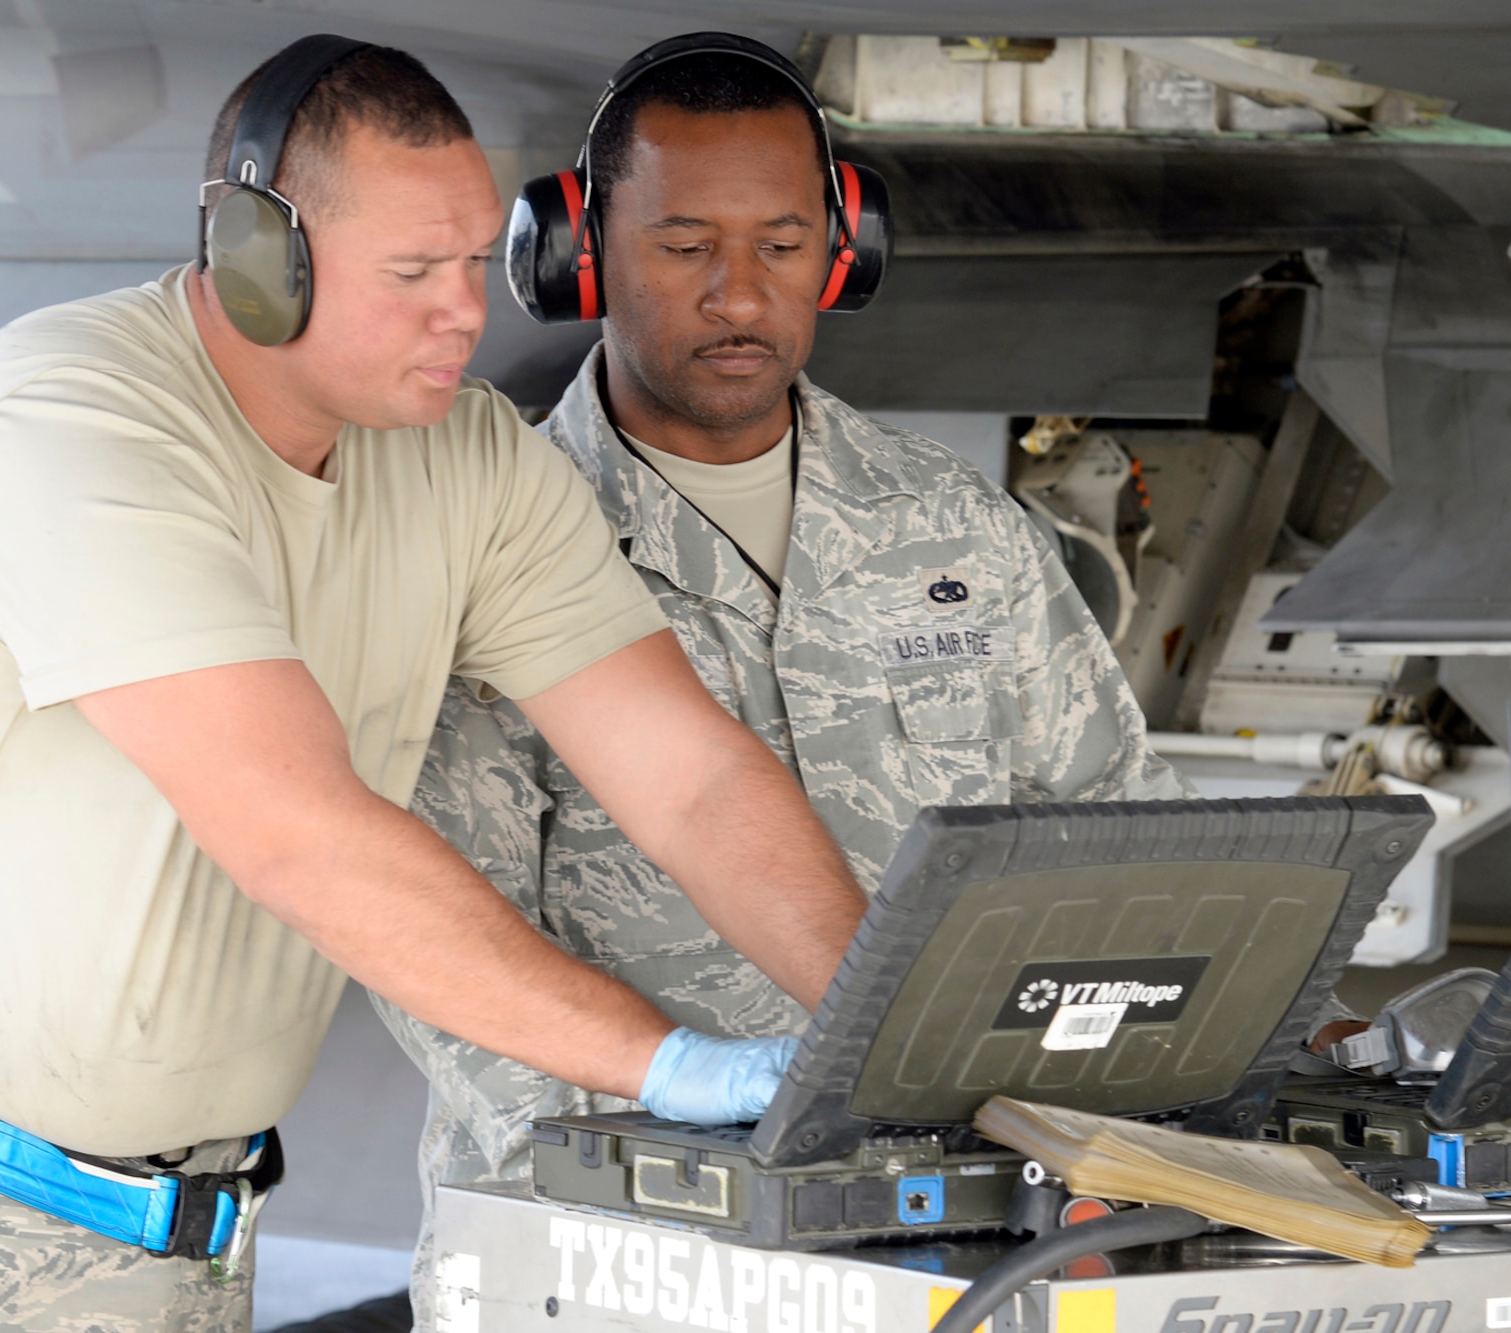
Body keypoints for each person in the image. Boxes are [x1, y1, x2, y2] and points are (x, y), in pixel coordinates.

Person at [0, 38, 868, 1333]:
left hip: (189, 1227)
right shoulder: (69, 418)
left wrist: (882, 1033)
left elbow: (686, 778)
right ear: (259, 260)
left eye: (472, 264)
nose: (463, 315)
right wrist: (663, 1058)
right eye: (410, 274)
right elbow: (299, 834)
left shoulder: (466, 464)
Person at [375, 34, 1191, 1328]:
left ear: (842, 250)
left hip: (953, 1253)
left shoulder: (956, 534)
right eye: (687, 247)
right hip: (610, 1270)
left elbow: (1121, 843)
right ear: (584, 252)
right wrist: (721, 1162)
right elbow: (453, 966)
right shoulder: (494, 541)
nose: (741, 296)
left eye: (781, 243)